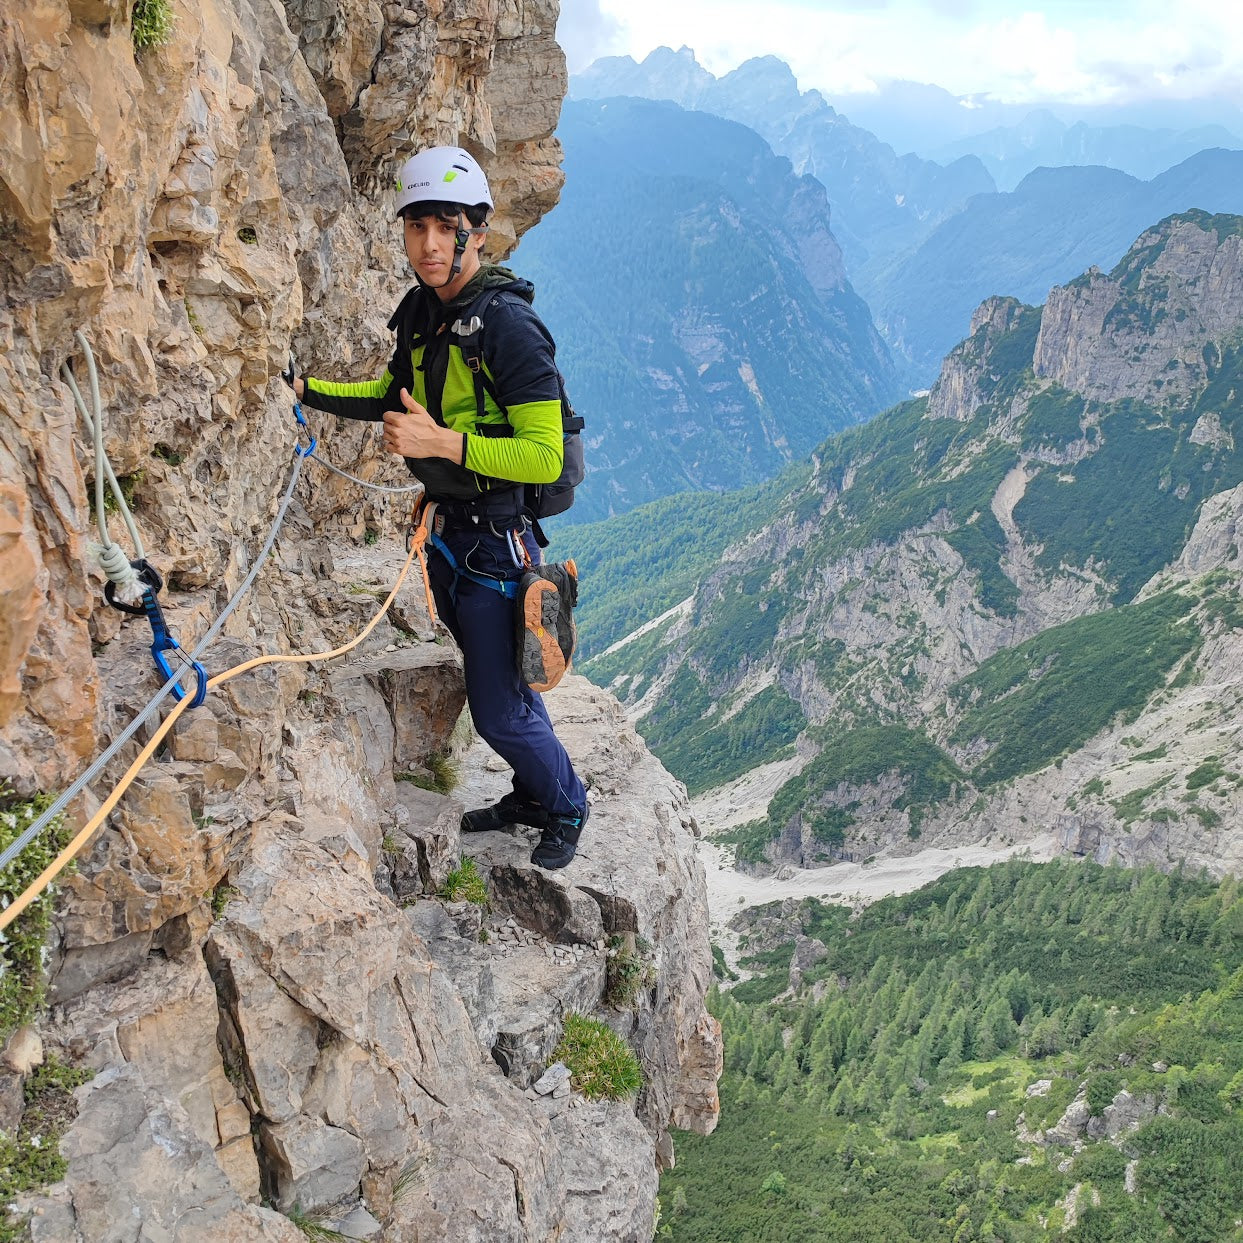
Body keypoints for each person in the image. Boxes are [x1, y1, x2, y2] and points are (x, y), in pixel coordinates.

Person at [293, 145, 588, 870]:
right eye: (415, 225)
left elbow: (542, 455)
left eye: (445, 225)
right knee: (506, 683)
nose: (428, 242)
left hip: (497, 543)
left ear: (475, 232)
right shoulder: (424, 312)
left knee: (493, 707)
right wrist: (310, 392)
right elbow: (391, 397)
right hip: (452, 537)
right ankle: (531, 788)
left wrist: (443, 444)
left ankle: (568, 801)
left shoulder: (510, 329)